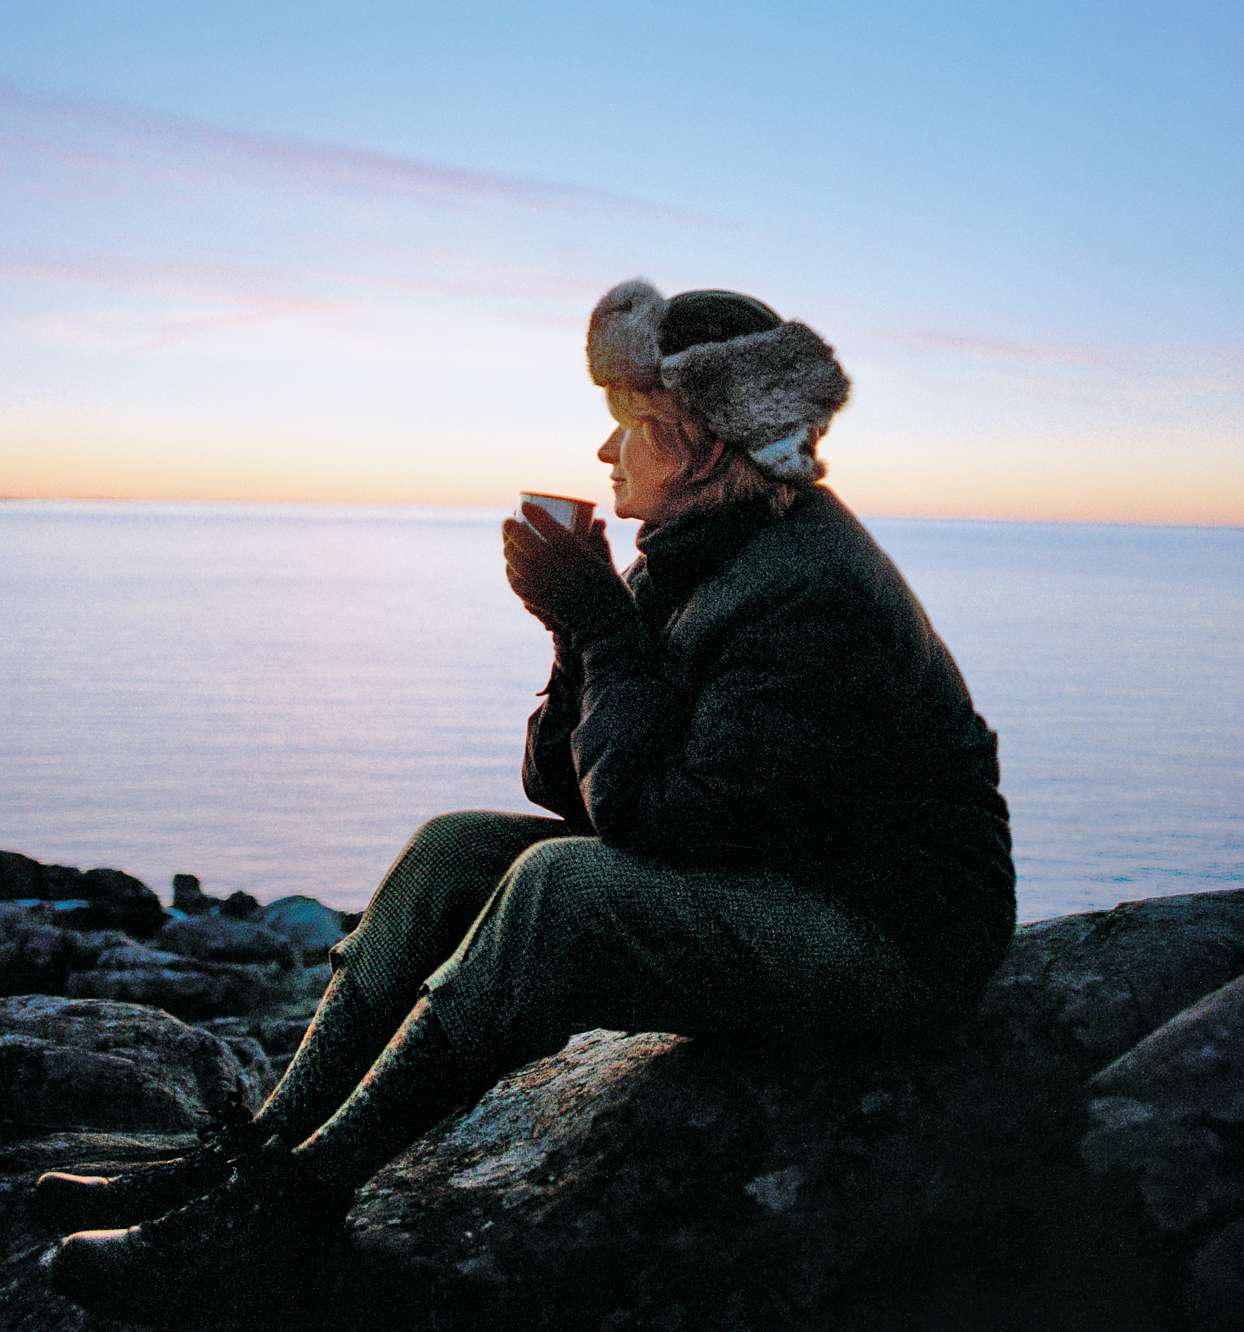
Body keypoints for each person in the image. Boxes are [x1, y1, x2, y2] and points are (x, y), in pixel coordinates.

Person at [42, 279, 1016, 1324]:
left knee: (561, 887)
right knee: (459, 848)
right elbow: (566, 786)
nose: (605, 455)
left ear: (695, 443)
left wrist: (599, 628)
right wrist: (573, 632)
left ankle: (284, 1214)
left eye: (627, 426)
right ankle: (249, 1159)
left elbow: (648, 825)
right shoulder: (697, 550)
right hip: (780, 876)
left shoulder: (806, 589)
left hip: (894, 939)